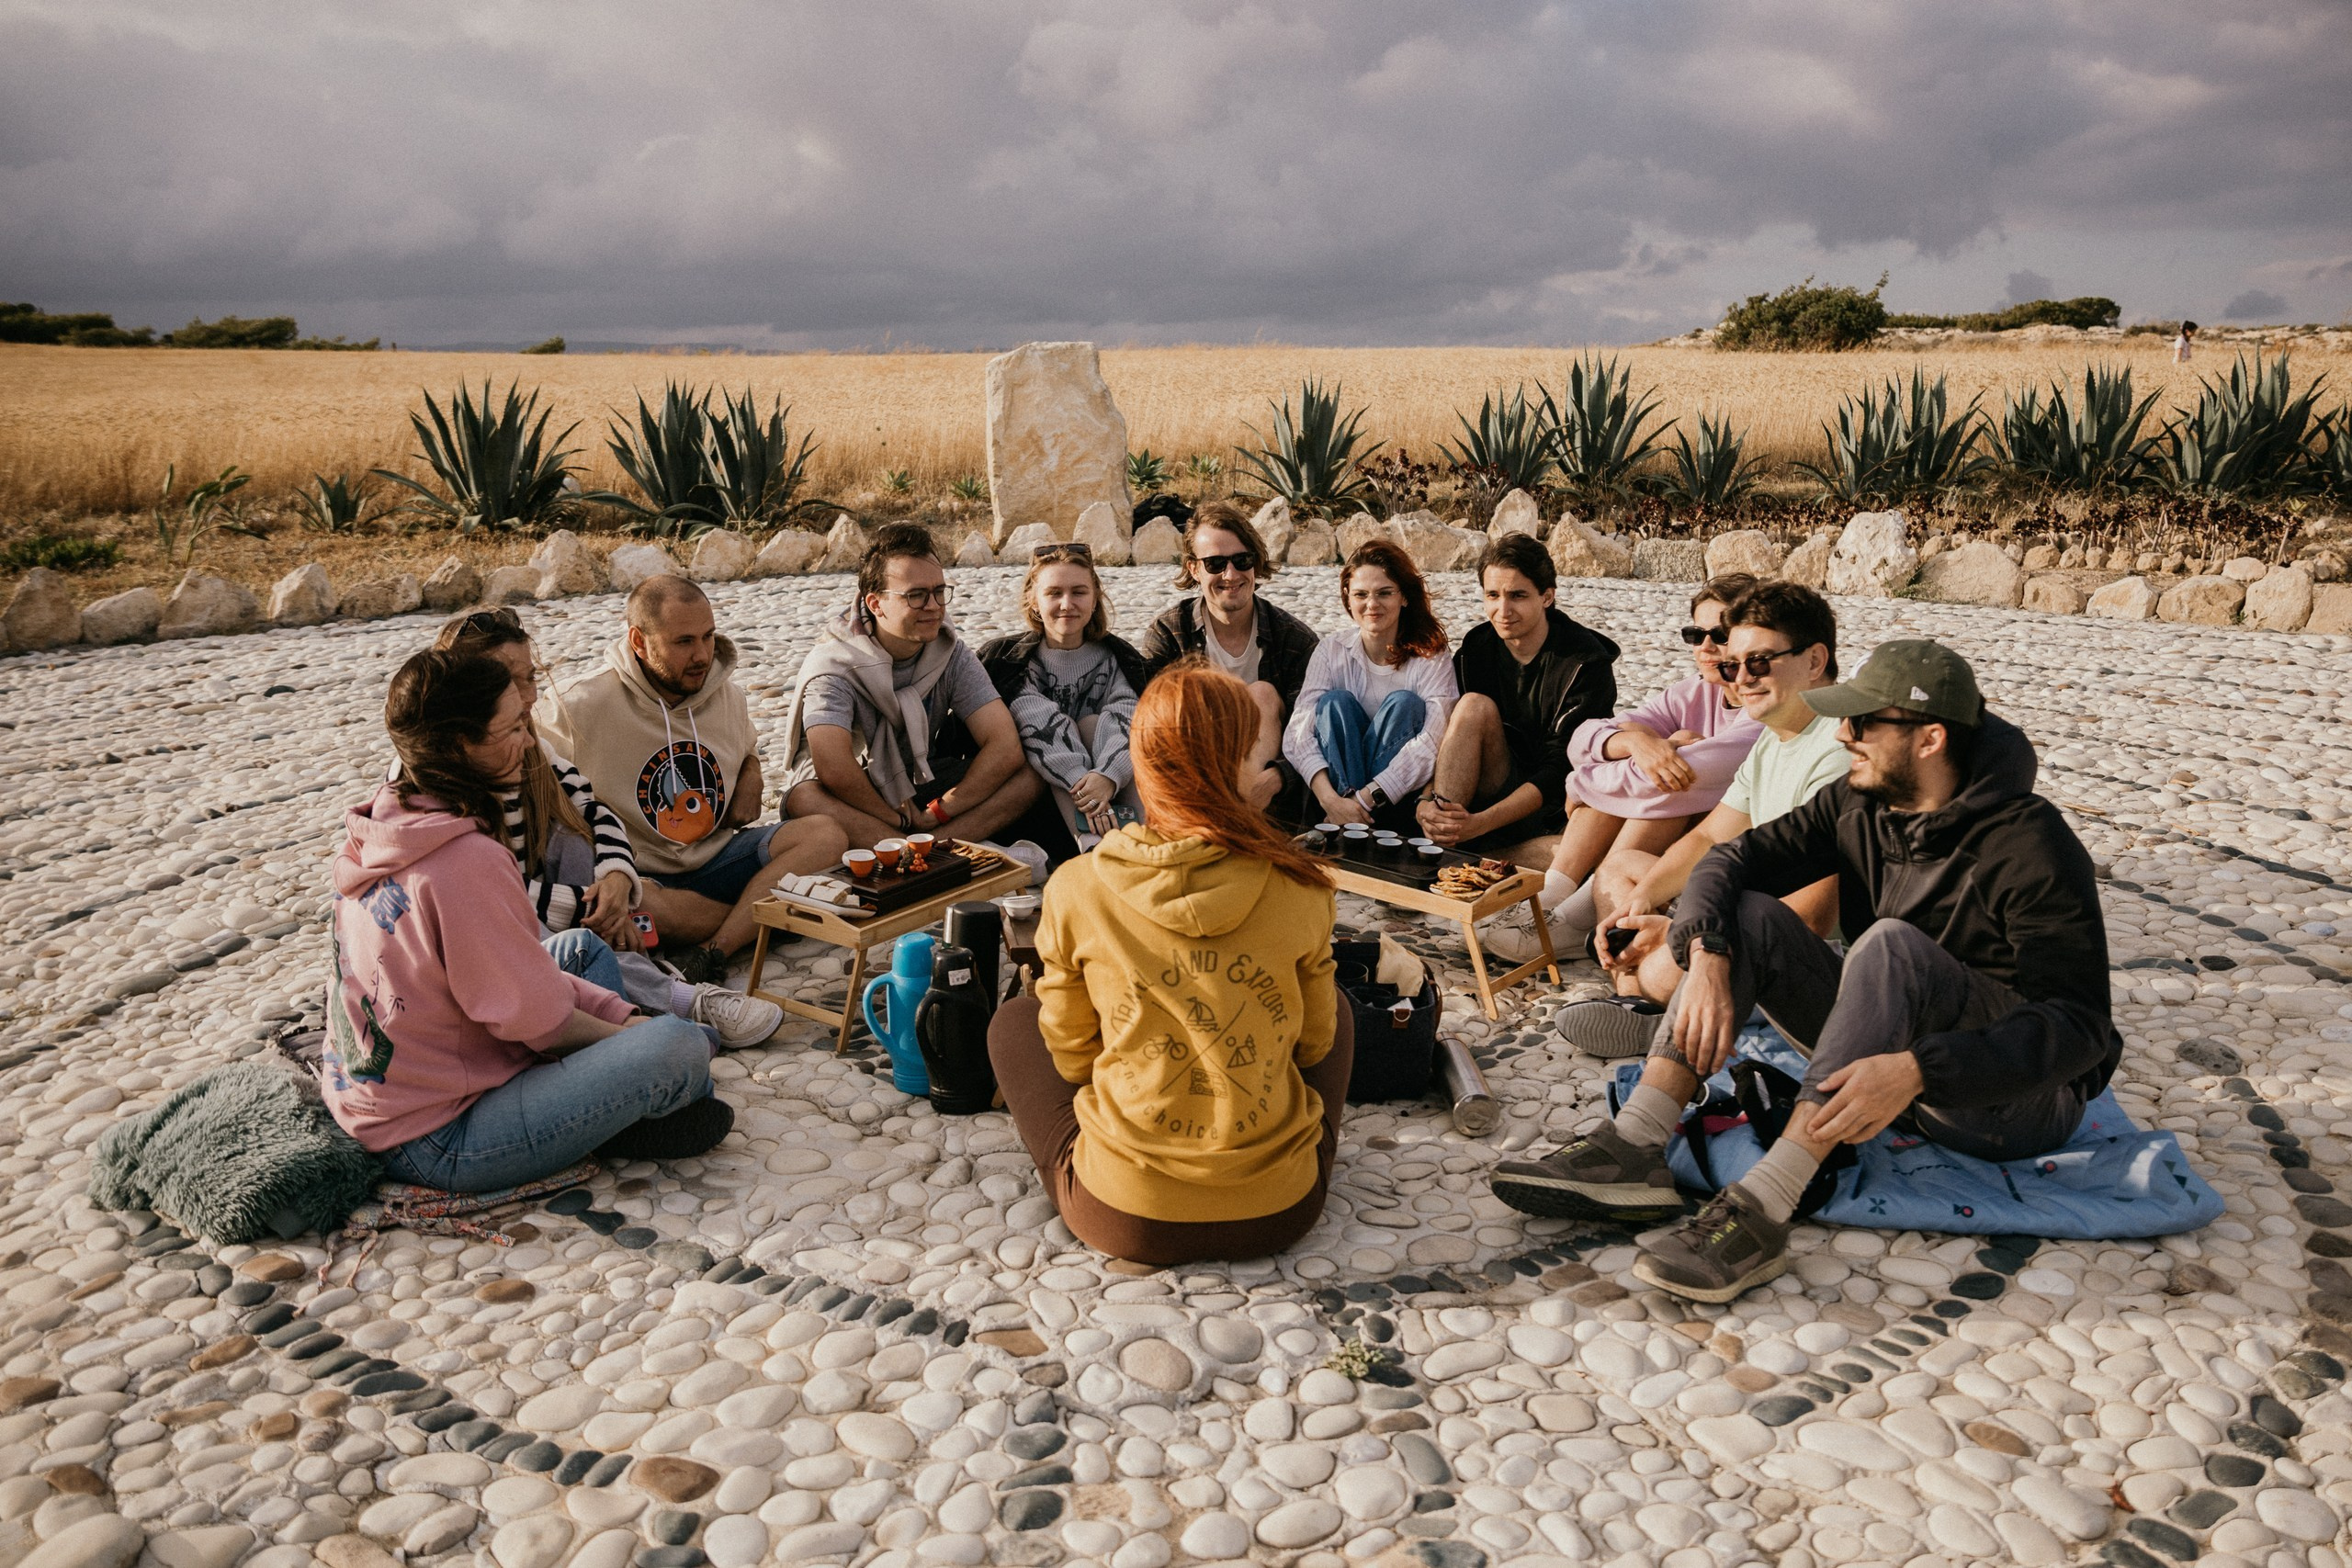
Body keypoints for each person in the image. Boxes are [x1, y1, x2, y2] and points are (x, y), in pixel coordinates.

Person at [1490, 640, 2118, 1303]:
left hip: (2007, 1101)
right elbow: (1726, 864)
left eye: (1864, 722)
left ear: (1931, 738)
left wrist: (1916, 1070)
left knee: (1888, 946)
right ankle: (1636, 1144)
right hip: (1887, 1064)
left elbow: (2080, 1028)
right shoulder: (1861, 800)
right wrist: (1704, 952)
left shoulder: (2031, 844)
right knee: (1750, 916)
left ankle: (1763, 1206)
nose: (1844, 733)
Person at [988, 660, 1355, 1264]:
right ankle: (1282, 1153)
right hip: (1282, 1211)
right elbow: (1313, 1046)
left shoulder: (1078, 886)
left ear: (1144, 764)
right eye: (1255, 753)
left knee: (1012, 1024)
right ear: (1233, 764)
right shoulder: (1302, 885)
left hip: (1125, 1215)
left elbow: (1075, 1058)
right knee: (1335, 1007)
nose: (1265, 767)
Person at [323, 649, 731, 1192]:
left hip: (392, 1086)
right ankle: (607, 1122)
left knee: (580, 950)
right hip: (436, 1135)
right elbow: (541, 1023)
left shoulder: (386, 824)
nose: (529, 740)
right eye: (513, 727)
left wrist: (622, 1017)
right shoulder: (466, 860)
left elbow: (512, 983)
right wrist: (632, 1037)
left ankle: (602, 1111)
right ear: (459, 745)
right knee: (679, 1050)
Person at [435, 608, 784, 1049]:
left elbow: (595, 810)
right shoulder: (437, 778)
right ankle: (678, 999)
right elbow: (490, 897)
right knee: (572, 941)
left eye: (530, 677)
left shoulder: (530, 746)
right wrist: (599, 912)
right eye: (508, 680)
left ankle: (655, 984)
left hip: (579, 902)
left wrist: (616, 880)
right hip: (492, 933)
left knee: (576, 841)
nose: (526, 696)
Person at [1555, 582, 1847, 1055]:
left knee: (1653, 957)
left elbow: (1809, 919)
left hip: (1798, 952)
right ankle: (1653, 1009)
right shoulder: (1776, 736)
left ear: (1814, 661)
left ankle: (1659, 1007)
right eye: (1734, 665)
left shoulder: (1841, 746)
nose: (1741, 679)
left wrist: (1686, 935)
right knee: (1619, 870)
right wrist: (1642, 904)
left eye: (1759, 662)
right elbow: (1711, 834)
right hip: (1744, 905)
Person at [539, 577, 847, 984]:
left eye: (708, 636)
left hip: (719, 858)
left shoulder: (725, 694)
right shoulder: (578, 705)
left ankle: (713, 947)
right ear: (639, 640)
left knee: (825, 835)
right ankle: (760, 918)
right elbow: (533, 778)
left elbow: (747, 748)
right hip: (644, 876)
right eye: (683, 642)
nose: (702, 655)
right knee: (644, 906)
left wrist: (752, 775)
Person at [1494, 575, 1763, 962]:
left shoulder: (1761, 711)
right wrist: (1638, 743)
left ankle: (1577, 917)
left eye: (1719, 634)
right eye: (1694, 634)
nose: (1705, 647)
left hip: (1722, 853)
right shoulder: (1693, 691)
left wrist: (1581, 783)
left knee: (1670, 781)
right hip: (1672, 840)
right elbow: (1582, 737)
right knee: (1652, 757)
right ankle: (1553, 895)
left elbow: (1671, 777)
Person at [780, 525, 1048, 863]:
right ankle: (928, 854)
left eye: (939, 591)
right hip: (847, 799)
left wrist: (939, 812)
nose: (934, 606)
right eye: (916, 595)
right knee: (803, 798)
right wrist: (896, 818)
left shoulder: (949, 652)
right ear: (876, 604)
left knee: (1031, 773)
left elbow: (1004, 745)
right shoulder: (835, 665)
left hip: (916, 787)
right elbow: (833, 768)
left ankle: (926, 849)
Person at [1418, 534, 1619, 853]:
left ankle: (1476, 856)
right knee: (1472, 706)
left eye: (1517, 596)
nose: (1502, 609)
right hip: (1485, 782)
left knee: (1584, 854)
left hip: (1549, 807)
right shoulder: (1477, 648)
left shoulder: (1585, 664)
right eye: (1492, 595)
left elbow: (1559, 771)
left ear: (1547, 597)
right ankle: (1442, 842)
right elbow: (1445, 736)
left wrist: (1481, 823)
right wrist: (1427, 800)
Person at [1136, 500, 1320, 813]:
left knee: (1262, 694)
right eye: (1216, 564)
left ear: (1256, 563)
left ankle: (1235, 822)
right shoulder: (1170, 633)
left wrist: (1278, 776)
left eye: (1242, 560)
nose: (1231, 574)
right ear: (1194, 568)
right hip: (1192, 777)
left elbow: (1309, 731)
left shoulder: (1294, 639)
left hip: (1265, 793)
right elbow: (1150, 725)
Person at [978, 542, 1148, 852]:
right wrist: (1085, 785)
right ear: (1033, 600)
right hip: (1044, 801)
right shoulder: (1012, 662)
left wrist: (1107, 777)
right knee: (1063, 725)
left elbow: (1130, 718)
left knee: (1094, 724)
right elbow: (1042, 728)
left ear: (1095, 598)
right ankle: (1092, 848)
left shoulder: (1119, 658)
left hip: (1112, 791)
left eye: (1079, 592)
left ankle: (1141, 838)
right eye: (1054, 593)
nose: (1067, 604)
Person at [1285, 540, 1457, 830]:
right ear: (1347, 598)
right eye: (1361, 594)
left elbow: (1433, 742)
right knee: (1334, 703)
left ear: (1403, 596)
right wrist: (1332, 801)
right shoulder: (1331, 650)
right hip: (1336, 801)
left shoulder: (1431, 656)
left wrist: (1363, 801)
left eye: (1384, 593)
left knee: (1404, 704)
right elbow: (1297, 734)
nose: (1372, 604)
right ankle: (1347, 822)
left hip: (1393, 804)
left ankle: (1352, 825)